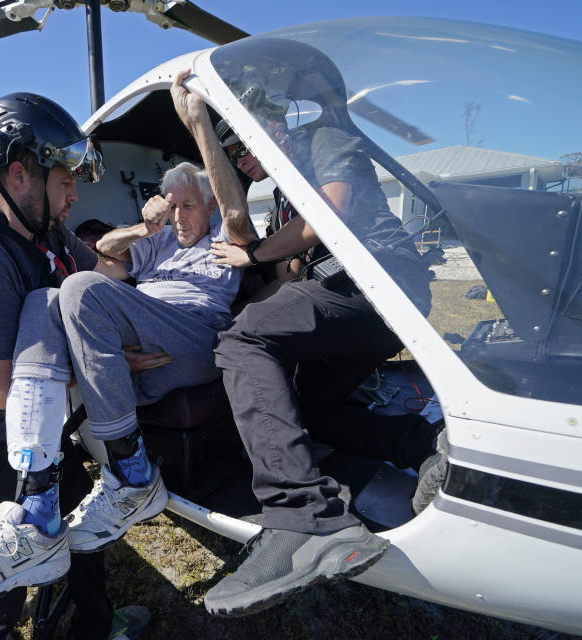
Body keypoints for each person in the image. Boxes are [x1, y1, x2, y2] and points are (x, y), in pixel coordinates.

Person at [169, 51, 437, 618]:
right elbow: (289, 279)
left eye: (242, 148)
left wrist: (251, 260)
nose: (242, 163)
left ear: (269, 127)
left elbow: (328, 216)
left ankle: (302, 517)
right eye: (234, 157)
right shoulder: (286, 190)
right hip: (366, 297)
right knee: (307, 401)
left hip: (378, 282)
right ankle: (428, 449)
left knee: (244, 342)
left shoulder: (321, 139)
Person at [0, 160, 242, 604]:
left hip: (192, 334)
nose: (181, 216)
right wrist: (146, 228)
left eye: (190, 206)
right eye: (175, 206)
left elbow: (237, 215)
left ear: (211, 207)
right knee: (44, 299)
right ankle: (37, 513)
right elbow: (108, 253)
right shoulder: (161, 239)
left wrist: (198, 119)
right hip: (135, 341)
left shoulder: (226, 236)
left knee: (78, 289)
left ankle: (133, 475)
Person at [0, 92, 148, 640]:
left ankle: (95, 627)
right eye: (65, 183)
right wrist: (115, 366)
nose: (74, 197)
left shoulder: (47, 236)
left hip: (40, 428)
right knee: (0, 585)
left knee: (83, 536)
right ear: (20, 175)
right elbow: (5, 393)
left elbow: (104, 279)